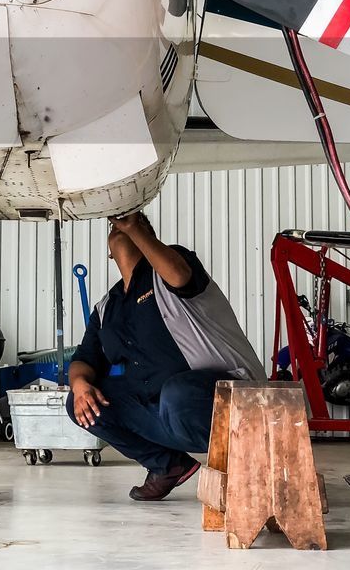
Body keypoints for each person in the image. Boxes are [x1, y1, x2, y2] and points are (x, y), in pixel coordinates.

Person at [67, 211, 263, 501]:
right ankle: (168, 465)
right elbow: (85, 358)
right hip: (165, 410)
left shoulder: (172, 266)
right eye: (114, 227)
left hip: (227, 397)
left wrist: (136, 230)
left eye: (137, 222)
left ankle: (248, 461)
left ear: (149, 235)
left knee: (178, 393)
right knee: (81, 403)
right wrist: (79, 384)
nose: (121, 228)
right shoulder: (108, 306)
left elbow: (179, 275)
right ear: (110, 252)